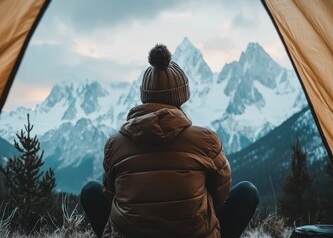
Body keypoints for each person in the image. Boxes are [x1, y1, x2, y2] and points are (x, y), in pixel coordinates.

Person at [80, 44, 259, 238]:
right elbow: (221, 194)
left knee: (90, 191)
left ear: (145, 97)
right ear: (181, 97)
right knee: (247, 192)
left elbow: (109, 194)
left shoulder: (114, 144)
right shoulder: (206, 140)